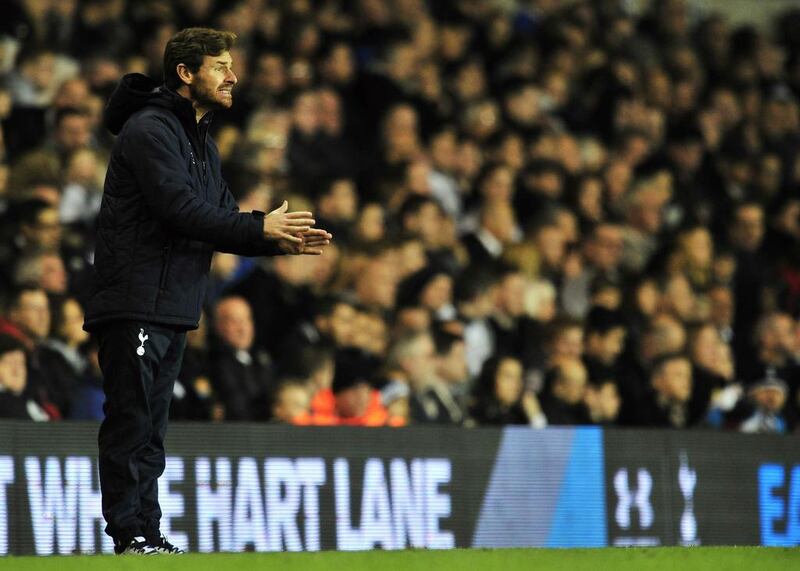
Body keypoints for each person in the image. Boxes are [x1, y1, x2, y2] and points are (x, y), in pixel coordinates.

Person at [82, 28, 332, 556]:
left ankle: (146, 534)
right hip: (135, 301)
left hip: (171, 305)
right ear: (186, 73)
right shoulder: (150, 130)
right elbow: (181, 210)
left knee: (150, 429)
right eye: (220, 66)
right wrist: (260, 227)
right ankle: (130, 535)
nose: (233, 76)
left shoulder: (201, 143)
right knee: (132, 422)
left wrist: (275, 241)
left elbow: (220, 219)